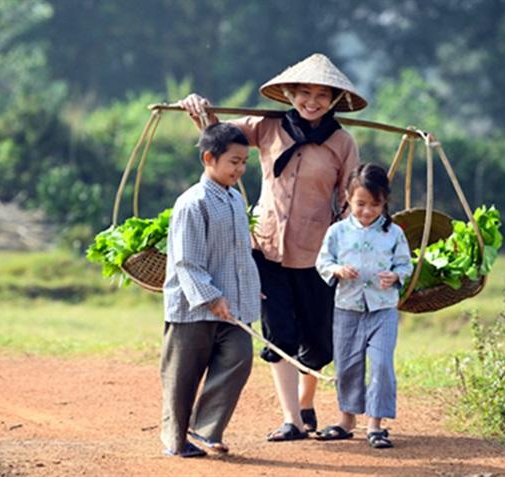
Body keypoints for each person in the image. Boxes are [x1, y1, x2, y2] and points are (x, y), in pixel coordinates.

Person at [179, 53, 368, 441]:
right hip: (266, 250)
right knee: (277, 333)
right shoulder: (267, 127)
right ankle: (292, 420)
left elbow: (352, 197)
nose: (311, 102)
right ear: (290, 94)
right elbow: (219, 135)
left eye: (320, 96)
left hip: (318, 255)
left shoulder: (341, 143)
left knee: (318, 339)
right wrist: (199, 107)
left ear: (333, 100)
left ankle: (306, 401)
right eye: (304, 94)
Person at [160, 123, 260, 457]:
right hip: (192, 310)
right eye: (234, 161)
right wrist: (211, 297)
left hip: (230, 308)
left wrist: (249, 289)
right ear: (208, 158)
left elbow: (238, 254)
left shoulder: (234, 200)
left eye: (244, 162)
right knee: (182, 378)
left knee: (240, 358)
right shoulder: (193, 203)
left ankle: (204, 430)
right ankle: (176, 441)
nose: (240, 169)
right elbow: (187, 262)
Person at [314, 163, 413, 449]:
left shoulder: (394, 233)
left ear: (384, 202)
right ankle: (346, 420)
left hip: (383, 309)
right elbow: (323, 261)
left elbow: (406, 264)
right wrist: (337, 270)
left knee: (382, 364)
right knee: (347, 364)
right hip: (347, 307)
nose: (367, 211)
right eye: (360, 204)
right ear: (347, 197)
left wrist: (396, 275)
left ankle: (376, 425)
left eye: (375, 205)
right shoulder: (337, 232)